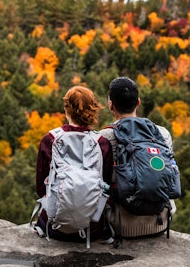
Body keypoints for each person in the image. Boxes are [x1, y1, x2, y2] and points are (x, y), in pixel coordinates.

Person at [100, 76, 177, 239]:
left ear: (110, 105)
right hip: (160, 223)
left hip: (120, 225)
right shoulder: (162, 134)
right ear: (138, 102)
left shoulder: (104, 137)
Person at [34, 85, 112, 242]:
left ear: (66, 109)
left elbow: (41, 188)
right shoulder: (102, 143)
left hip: (54, 227)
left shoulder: (50, 140)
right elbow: (106, 186)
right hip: (92, 228)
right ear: (93, 110)